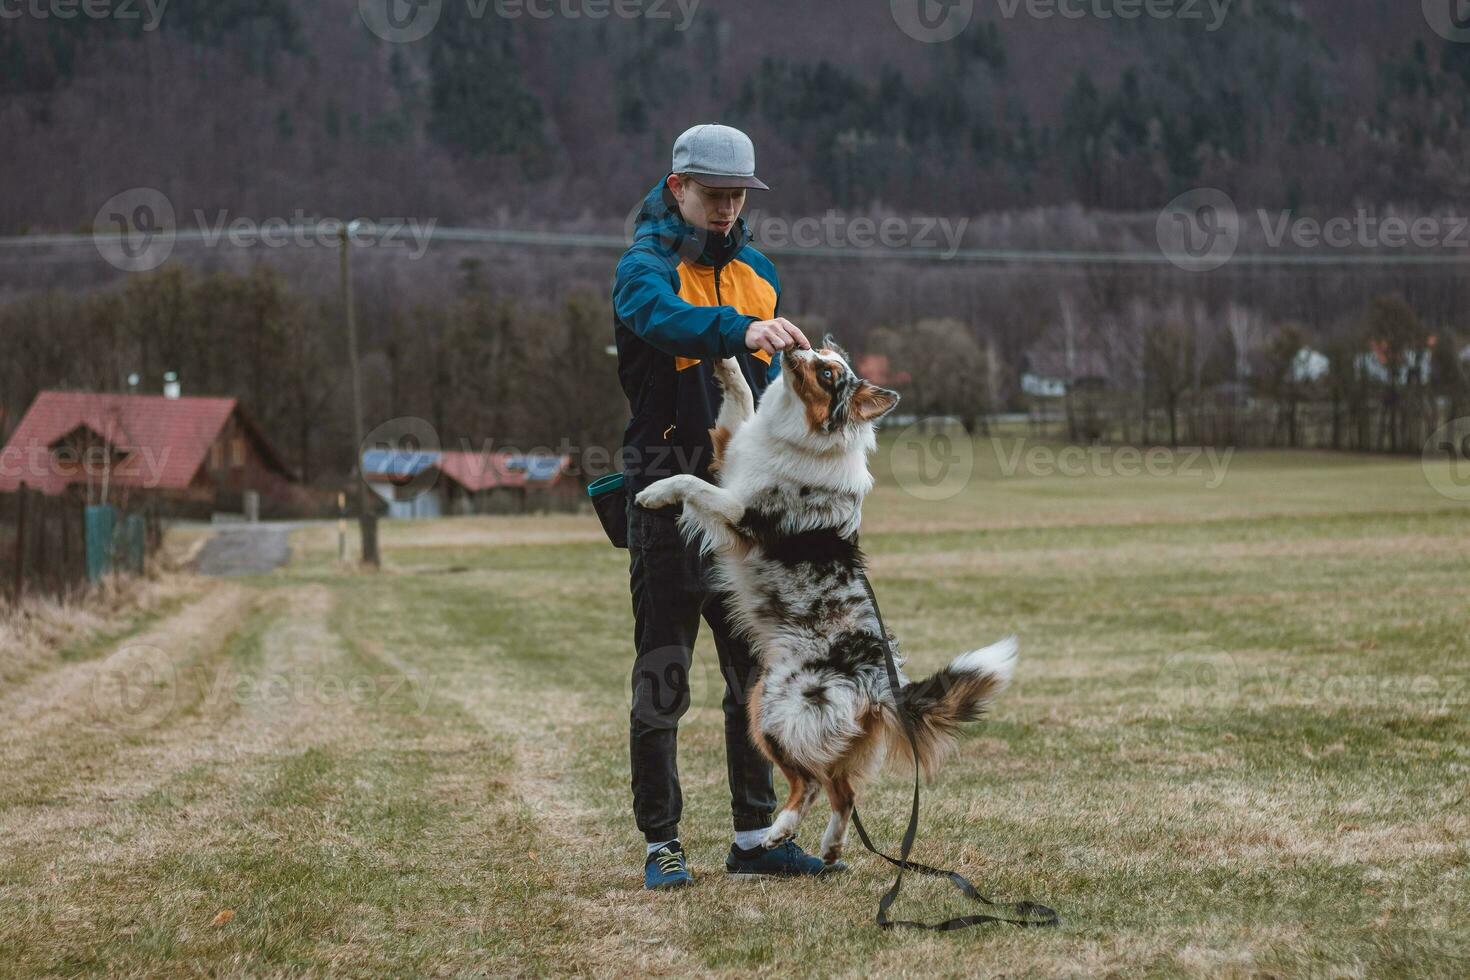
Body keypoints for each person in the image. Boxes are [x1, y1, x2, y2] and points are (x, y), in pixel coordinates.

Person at [612, 123, 837, 890]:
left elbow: (775, 405)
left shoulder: (761, 273)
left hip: (745, 510)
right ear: (678, 188)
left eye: (738, 196)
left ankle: (753, 836)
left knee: (753, 680)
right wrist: (740, 328)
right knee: (663, 678)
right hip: (666, 501)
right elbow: (666, 322)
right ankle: (661, 842)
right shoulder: (642, 268)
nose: (727, 209)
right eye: (714, 194)